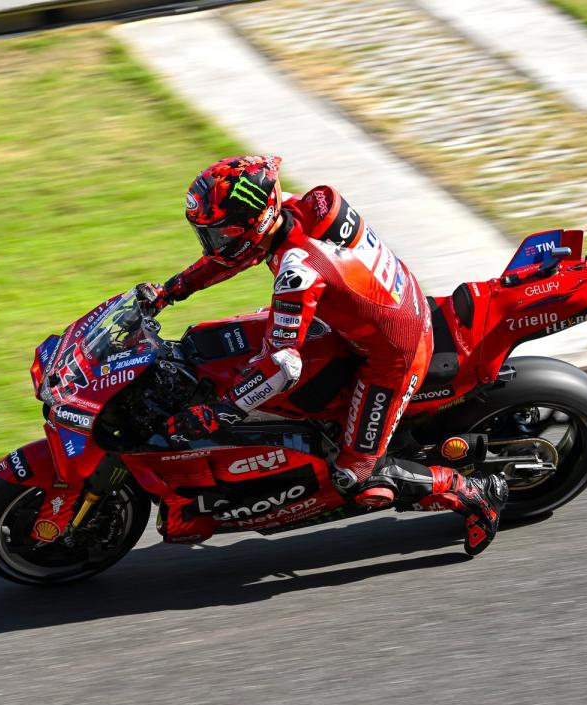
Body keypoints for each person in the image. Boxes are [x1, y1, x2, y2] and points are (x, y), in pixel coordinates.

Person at [136, 155, 507, 556]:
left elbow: (281, 367)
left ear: (253, 223)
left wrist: (217, 413)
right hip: (365, 317)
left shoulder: (299, 270)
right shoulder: (293, 209)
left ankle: (471, 492)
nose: (214, 243)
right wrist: (172, 290)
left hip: (393, 354)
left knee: (357, 478)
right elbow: (238, 255)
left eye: (220, 233)